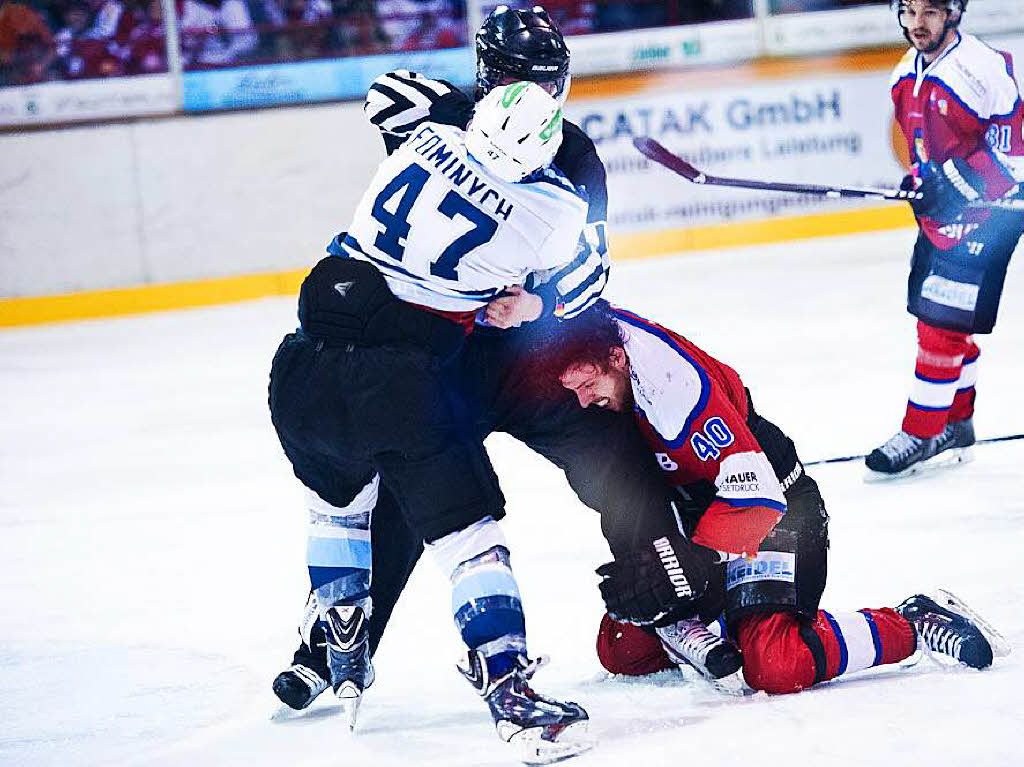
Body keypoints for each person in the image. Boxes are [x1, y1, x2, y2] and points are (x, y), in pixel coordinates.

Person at [272, 4, 681, 718]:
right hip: (432, 353)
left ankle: (672, 599)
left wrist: (536, 310)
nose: (546, 97)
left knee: (606, 445)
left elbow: (589, 281)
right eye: (529, 82)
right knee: (407, 492)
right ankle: (338, 642)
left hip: (520, 359)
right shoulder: (473, 126)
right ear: (495, 78)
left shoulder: (553, 149)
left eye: (552, 81)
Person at [269, 81, 608, 762]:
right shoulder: (553, 209)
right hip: (400, 383)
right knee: (471, 542)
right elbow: (578, 287)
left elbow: (388, 94)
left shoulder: (424, 138)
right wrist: (527, 308)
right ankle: (510, 692)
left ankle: (341, 623)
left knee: (335, 506)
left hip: (302, 366)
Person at [537, 301, 1004, 694]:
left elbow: (756, 497)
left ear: (618, 358)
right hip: (706, 508)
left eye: (587, 385)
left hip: (775, 509)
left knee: (775, 664)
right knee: (622, 647)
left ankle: (910, 623)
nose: (582, 401)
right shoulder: (599, 336)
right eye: (572, 390)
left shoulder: (676, 392)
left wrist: (691, 564)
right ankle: (726, 619)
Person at [866, 0, 1024, 478]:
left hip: (991, 213)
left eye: (930, 11)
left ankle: (922, 429)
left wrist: (950, 181)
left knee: (940, 324)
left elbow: (1014, 158)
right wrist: (921, 181)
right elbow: (921, 150)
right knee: (943, 320)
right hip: (942, 215)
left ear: (953, 13)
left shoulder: (981, 70)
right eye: (909, 11)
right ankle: (956, 423)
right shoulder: (902, 75)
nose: (918, 23)